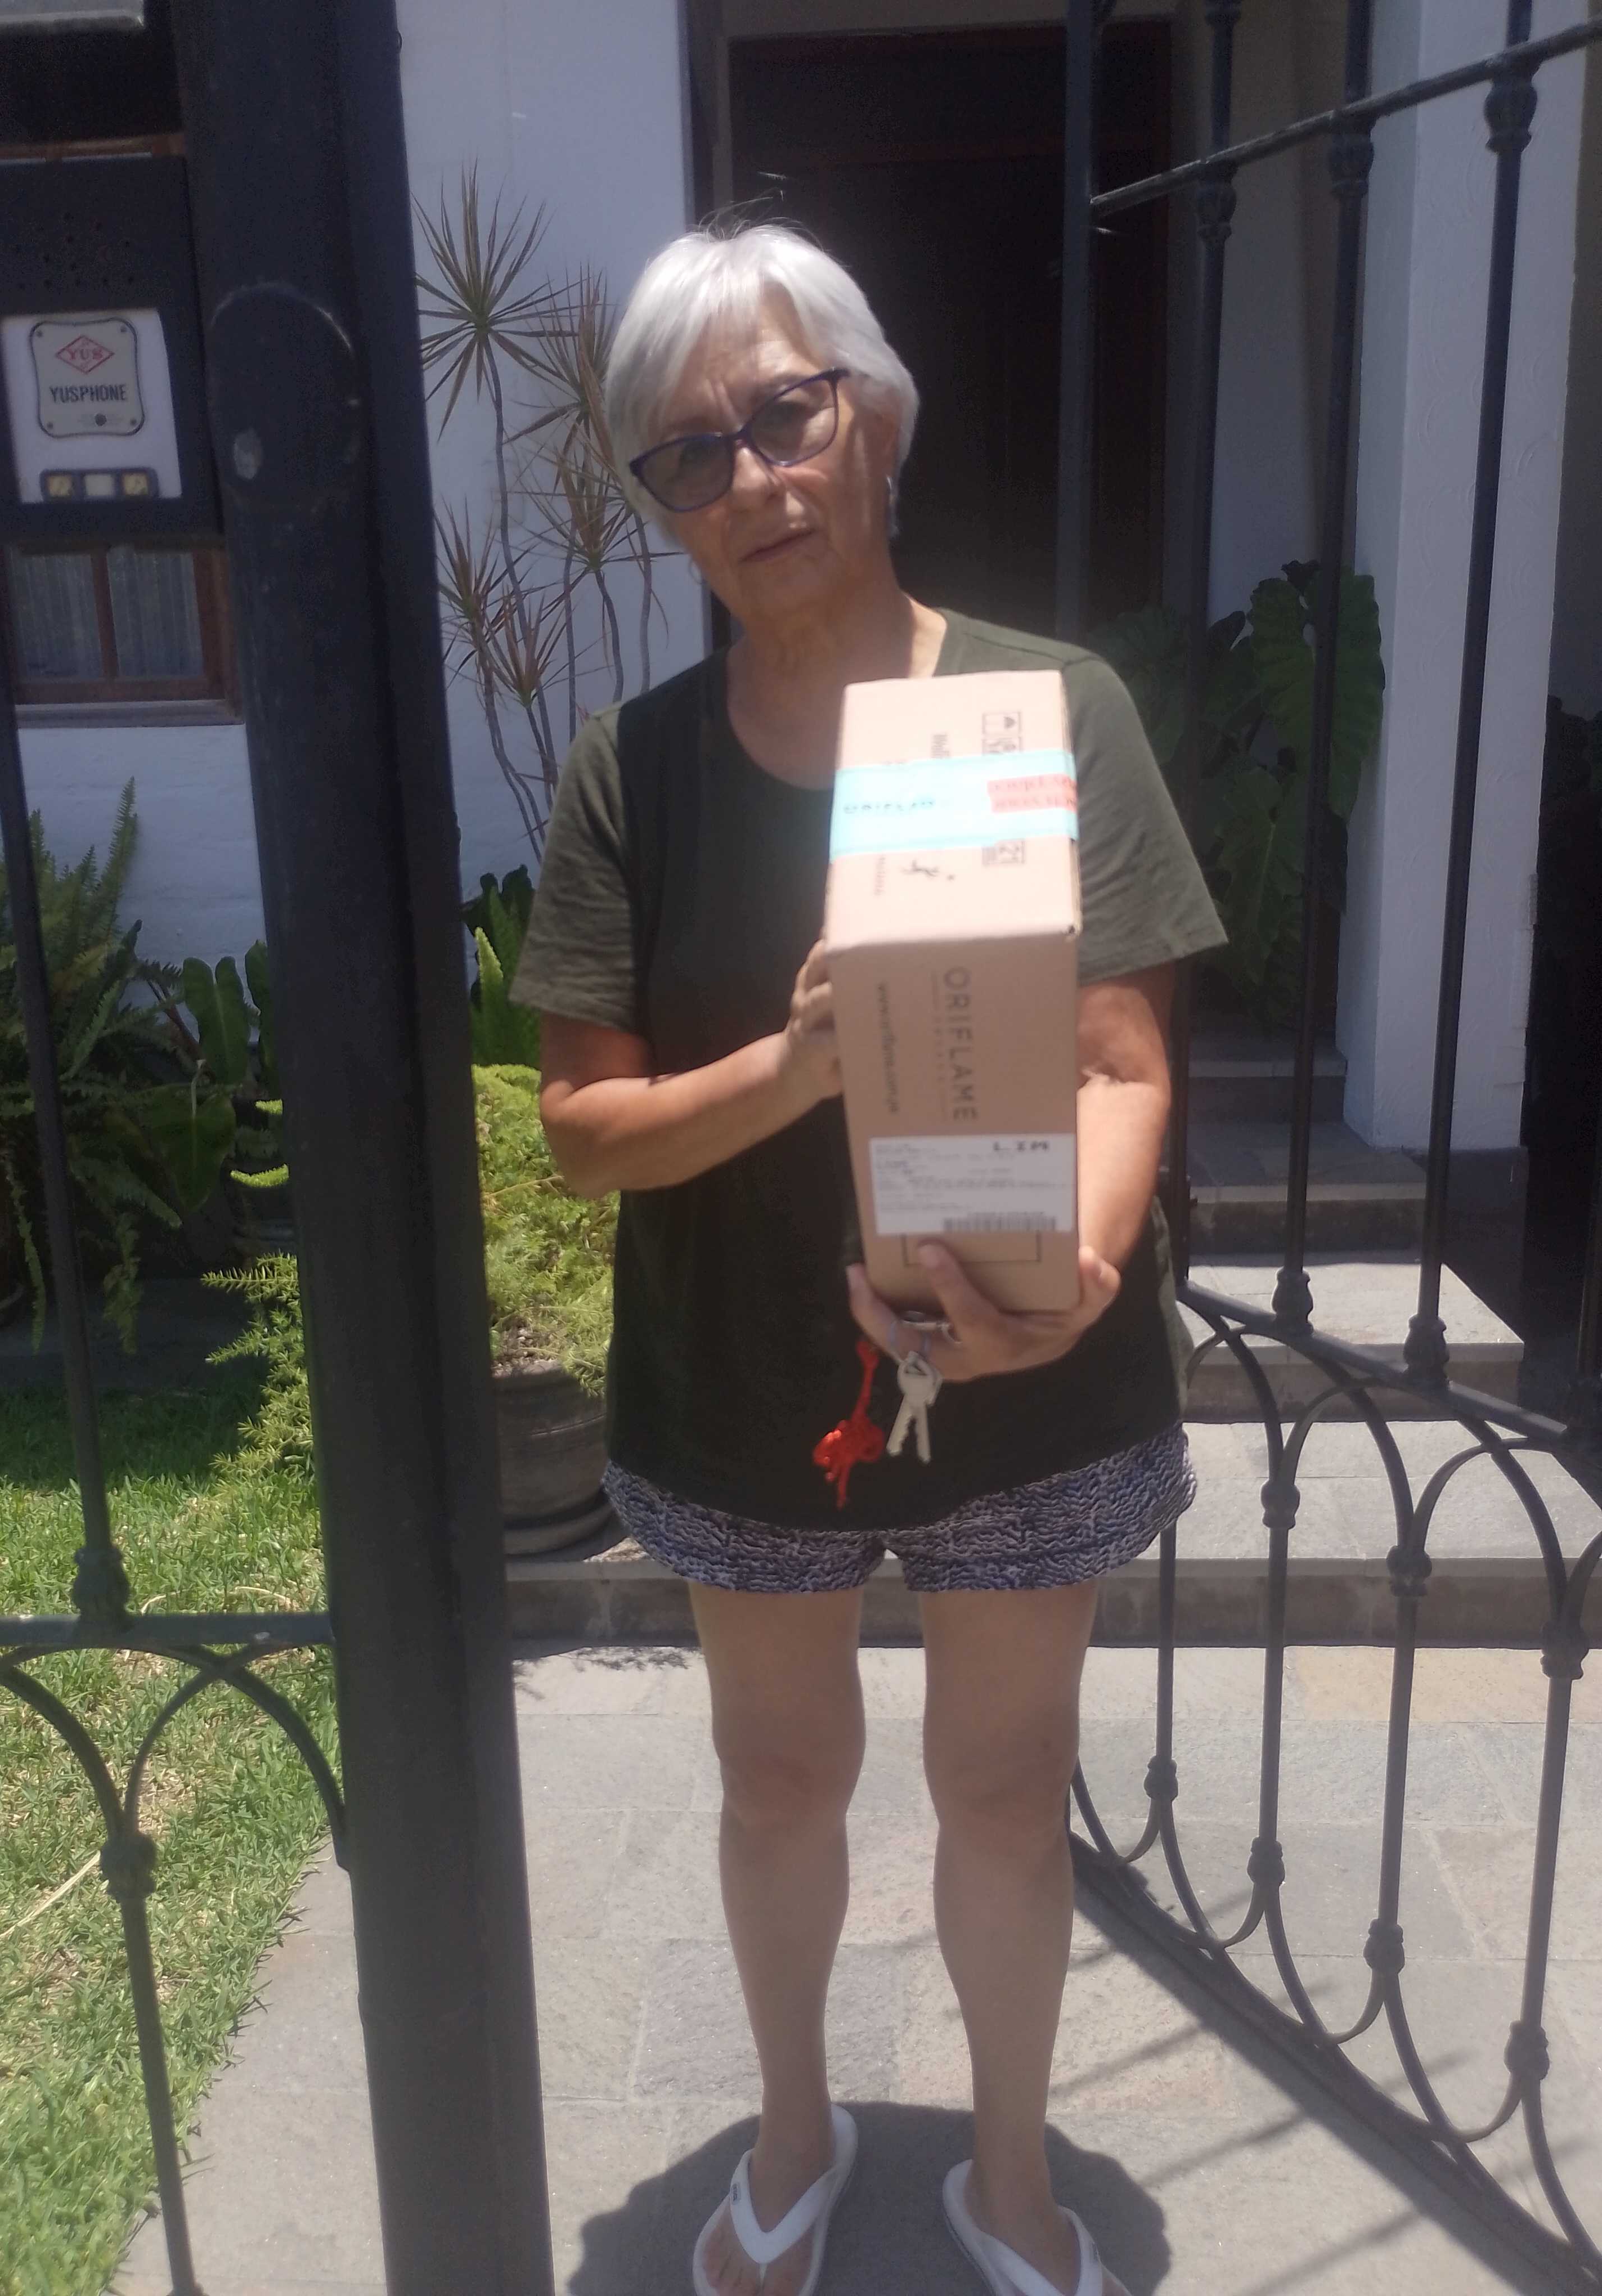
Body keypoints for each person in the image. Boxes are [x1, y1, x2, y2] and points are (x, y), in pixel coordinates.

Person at [511, 221, 1225, 2296]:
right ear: (663, 508)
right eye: (689, 455)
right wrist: (807, 1058)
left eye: (785, 415)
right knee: (777, 1778)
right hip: (750, 1381)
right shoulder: (637, 770)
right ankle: (796, 2135)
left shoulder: (1048, 709)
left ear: (878, 418)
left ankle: (1008, 2179)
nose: (750, 479)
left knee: (1002, 1792)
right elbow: (584, 1130)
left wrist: (1065, 1283)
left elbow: (1122, 1063)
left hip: (1034, 1379)